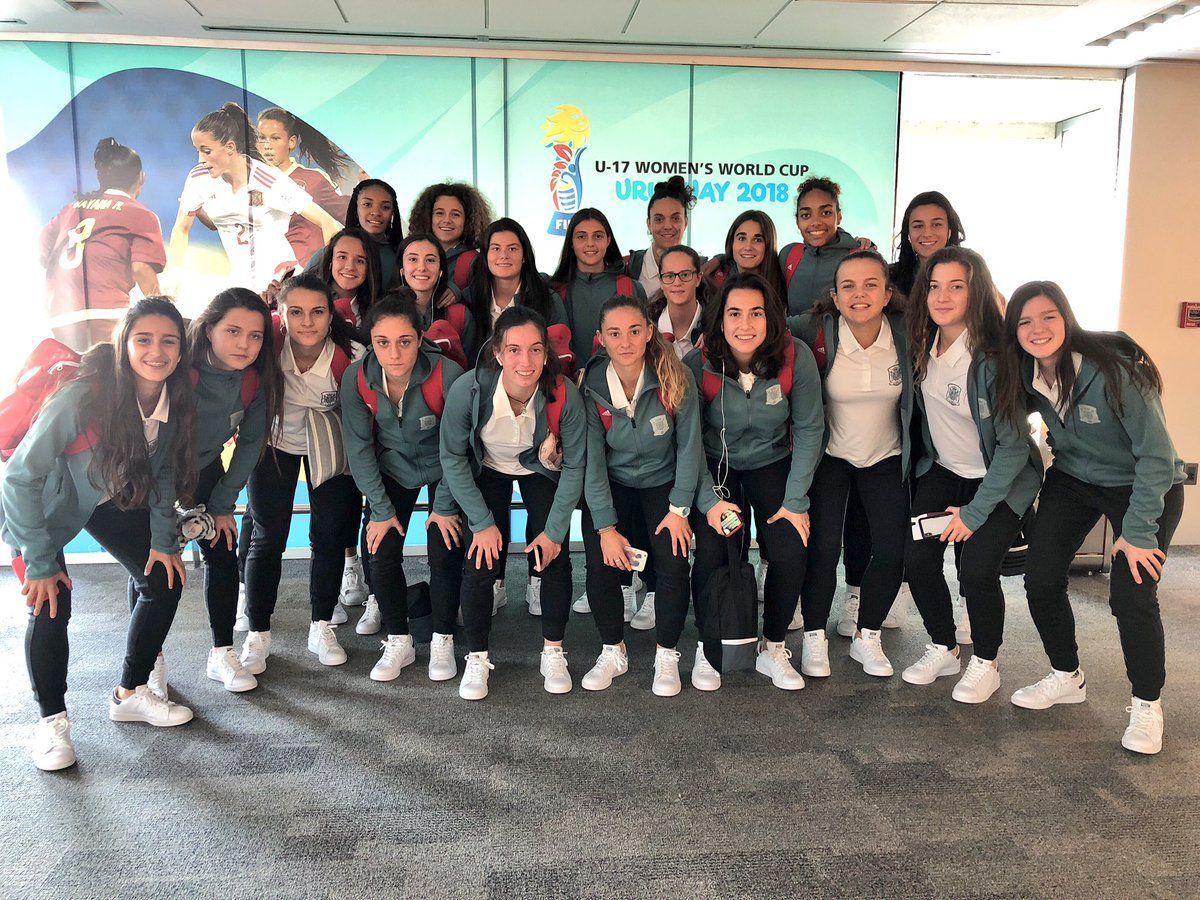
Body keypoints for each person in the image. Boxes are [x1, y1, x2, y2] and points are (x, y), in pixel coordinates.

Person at [1, 298, 196, 771]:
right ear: (123, 343)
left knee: (163, 578)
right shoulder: (82, 396)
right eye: (143, 339)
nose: (156, 352)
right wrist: (40, 562)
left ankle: (130, 693)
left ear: (181, 349)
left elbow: (163, 471)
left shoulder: (173, 396)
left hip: (104, 495)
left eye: (168, 341)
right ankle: (52, 723)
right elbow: (19, 478)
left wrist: (163, 539)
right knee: (51, 602)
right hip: (43, 503)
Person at [994, 281, 1185, 755]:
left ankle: (1147, 703)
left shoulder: (1115, 372)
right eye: (1024, 321)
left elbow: (1157, 458)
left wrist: (1137, 533)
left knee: (1131, 594)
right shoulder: (1024, 373)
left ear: (1067, 319)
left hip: (1144, 483)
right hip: (1075, 479)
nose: (1037, 329)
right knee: (1040, 579)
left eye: (1048, 317)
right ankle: (1066, 675)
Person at [900, 248, 1042, 703]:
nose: (942, 296)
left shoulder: (993, 358)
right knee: (916, 560)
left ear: (975, 292)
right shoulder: (923, 343)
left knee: (977, 569)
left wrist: (975, 513)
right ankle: (944, 647)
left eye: (956, 287)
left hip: (998, 478)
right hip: (945, 471)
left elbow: (1014, 447)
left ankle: (986, 661)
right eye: (934, 286)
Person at [684, 273, 824, 693]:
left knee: (789, 547)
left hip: (771, 464)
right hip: (717, 467)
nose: (745, 324)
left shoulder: (795, 357)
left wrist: (795, 501)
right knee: (713, 551)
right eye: (734, 313)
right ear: (720, 319)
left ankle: (773, 645)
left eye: (756, 313)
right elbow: (689, 442)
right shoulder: (698, 364)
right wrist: (708, 502)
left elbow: (810, 429)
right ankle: (709, 646)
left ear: (771, 317)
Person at [438, 306, 586, 700]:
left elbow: (575, 467)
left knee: (554, 555)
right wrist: (482, 523)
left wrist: (554, 533)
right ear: (498, 353)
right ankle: (477, 656)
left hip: (539, 468)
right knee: (481, 558)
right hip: (487, 466)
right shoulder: (469, 389)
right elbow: (452, 456)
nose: (526, 361)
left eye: (536, 349)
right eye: (514, 350)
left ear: (546, 353)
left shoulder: (563, 394)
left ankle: (553, 650)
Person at [792, 250, 913, 679]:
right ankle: (814, 637)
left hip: (886, 456)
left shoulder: (907, 334)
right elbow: (763, 329)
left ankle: (868, 636)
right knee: (823, 550)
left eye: (870, 285)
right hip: (832, 457)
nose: (859, 294)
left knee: (893, 550)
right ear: (835, 295)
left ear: (887, 293)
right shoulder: (815, 330)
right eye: (848, 286)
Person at [239, 273, 364, 676]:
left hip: (328, 445)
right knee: (267, 536)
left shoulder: (352, 355)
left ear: (331, 315)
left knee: (328, 536)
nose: (307, 322)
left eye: (317, 312)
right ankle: (257, 632)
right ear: (281, 314)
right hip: (274, 443)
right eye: (296, 312)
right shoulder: (266, 347)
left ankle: (321, 625)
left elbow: (363, 415)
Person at [341, 291, 467, 683]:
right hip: (394, 467)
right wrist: (380, 510)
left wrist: (443, 506)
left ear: (420, 338)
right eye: (382, 342)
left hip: (445, 466)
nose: (394, 354)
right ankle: (399, 639)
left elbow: (459, 449)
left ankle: (443, 637)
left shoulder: (448, 375)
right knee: (379, 550)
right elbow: (359, 449)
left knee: (444, 547)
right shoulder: (356, 379)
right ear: (371, 342)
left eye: (404, 341)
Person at [578, 296, 702, 695]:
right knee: (600, 563)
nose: (626, 342)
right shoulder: (592, 386)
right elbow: (593, 462)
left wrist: (679, 509)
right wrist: (604, 527)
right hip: (614, 483)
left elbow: (690, 447)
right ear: (601, 339)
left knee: (673, 561)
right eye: (614, 334)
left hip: (663, 483)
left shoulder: (675, 376)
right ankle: (613, 650)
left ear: (649, 332)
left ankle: (667, 654)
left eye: (634, 331)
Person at [178, 288, 283, 694]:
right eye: (233, 331)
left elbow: (250, 445)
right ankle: (149, 665)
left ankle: (221, 652)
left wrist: (222, 504)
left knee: (221, 550)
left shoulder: (254, 380)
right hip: (152, 474)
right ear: (209, 329)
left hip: (204, 468)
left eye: (255, 336)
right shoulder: (179, 370)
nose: (244, 344)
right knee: (152, 563)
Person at [169, 102, 340, 294]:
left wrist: (327, 279)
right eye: (198, 151)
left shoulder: (269, 181)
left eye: (206, 151)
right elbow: (182, 228)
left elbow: (328, 222)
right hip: (240, 282)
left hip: (279, 282)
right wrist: (173, 275)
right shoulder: (198, 178)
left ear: (230, 147)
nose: (201, 159)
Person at [39, 137, 166, 351]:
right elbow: (141, 269)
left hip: (62, 313)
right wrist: (163, 311)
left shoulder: (71, 209)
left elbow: (42, 254)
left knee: (75, 369)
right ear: (141, 177)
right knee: (111, 370)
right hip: (108, 312)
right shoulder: (140, 214)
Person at [550, 208, 646, 367]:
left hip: (622, 378)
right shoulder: (556, 292)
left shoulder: (630, 288)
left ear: (608, 240)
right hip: (568, 378)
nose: (590, 243)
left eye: (598, 236)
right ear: (571, 242)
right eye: (581, 236)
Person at [255, 106, 351, 265]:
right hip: (269, 272)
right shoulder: (249, 183)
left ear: (291, 142)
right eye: (261, 138)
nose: (266, 145)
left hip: (308, 272)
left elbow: (349, 217)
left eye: (275, 138)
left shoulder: (314, 179)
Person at [463, 217, 567, 354]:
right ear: (485, 255)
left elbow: (559, 355)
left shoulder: (548, 300)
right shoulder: (469, 298)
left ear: (524, 256)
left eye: (512, 249)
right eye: (496, 248)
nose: (504, 255)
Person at [778, 176, 872, 317]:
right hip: (790, 332)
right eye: (806, 215)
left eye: (826, 213)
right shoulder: (789, 255)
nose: (815, 222)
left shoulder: (862, 257)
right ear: (797, 221)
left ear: (839, 217)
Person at [307, 178, 404, 290]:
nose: (376, 212)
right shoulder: (328, 253)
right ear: (356, 209)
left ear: (392, 213)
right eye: (367, 204)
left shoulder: (399, 258)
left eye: (385, 207)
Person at [407, 182, 495, 291]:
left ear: (468, 220)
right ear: (428, 217)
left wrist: (458, 293)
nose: (447, 220)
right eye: (439, 213)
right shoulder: (410, 254)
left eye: (455, 214)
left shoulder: (476, 262)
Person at [397, 232, 476, 349]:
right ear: (402, 270)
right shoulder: (385, 313)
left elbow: (472, 360)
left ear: (440, 271)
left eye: (430, 260)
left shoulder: (460, 315)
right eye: (413, 259)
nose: (422, 268)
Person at [626, 176, 697, 297]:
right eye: (659, 219)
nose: (668, 226)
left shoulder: (699, 269)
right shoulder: (629, 269)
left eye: (675, 218)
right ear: (649, 224)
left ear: (685, 222)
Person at [889, 191, 966, 299]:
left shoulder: (970, 274)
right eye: (918, 226)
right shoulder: (890, 277)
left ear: (950, 230)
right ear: (908, 233)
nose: (927, 234)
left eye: (936, 224)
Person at [700, 210, 787, 304]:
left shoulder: (783, 280)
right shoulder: (712, 275)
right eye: (741, 238)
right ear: (731, 242)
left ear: (768, 246)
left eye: (758, 240)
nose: (748, 247)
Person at [649, 245, 709, 360]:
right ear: (661, 282)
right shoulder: (646, 327)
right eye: (669, 276)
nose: (677, 282)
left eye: (685, 275)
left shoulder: (717, 327)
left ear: (698, 279)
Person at [319, 227, 383, 328]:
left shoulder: (378, 311)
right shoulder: (308, 297)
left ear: (369, 268)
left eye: (360, 261)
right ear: (330, 261)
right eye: (342, 257)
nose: (350, 267)